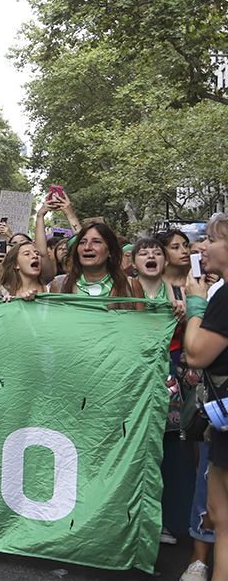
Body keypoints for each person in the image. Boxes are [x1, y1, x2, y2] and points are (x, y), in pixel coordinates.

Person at [179, 213, 228, 581]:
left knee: (222, 518)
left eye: (209, 240)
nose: (202, 248)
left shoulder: (223, 296)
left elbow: (196, 354)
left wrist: (196, 303)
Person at [49, 222, 141, 300]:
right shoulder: (59, 284)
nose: (87, 247)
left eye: (96, 242)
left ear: (110, 251)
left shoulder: (131, 286)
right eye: (82, 242)